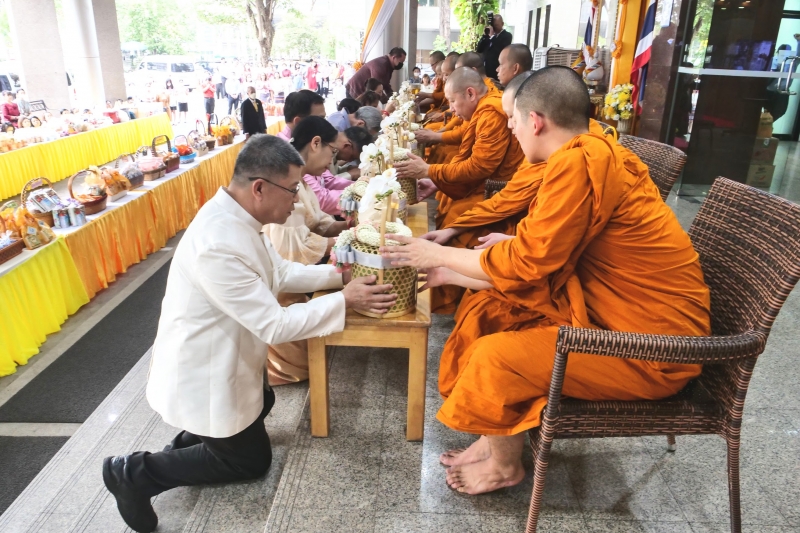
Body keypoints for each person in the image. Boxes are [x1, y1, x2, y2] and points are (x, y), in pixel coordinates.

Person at [379, 66, 711, 495]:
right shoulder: (586, 151)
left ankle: (505, 466)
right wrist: (477, 258)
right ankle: (493, 435)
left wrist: (437, 254)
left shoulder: (580, 161)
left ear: (535, 121)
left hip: (654, 347)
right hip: (614, 316)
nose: (511, 130)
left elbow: (531, 262)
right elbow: (548, 248)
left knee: (495, 355)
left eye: (512, 121)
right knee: (491, 310)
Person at [102, 135, 395, 533]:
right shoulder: (217, 243)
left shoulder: (240, 217)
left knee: (264, 399)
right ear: (260, 188)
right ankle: (134, 472)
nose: (296, 199)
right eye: (292, 190)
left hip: (228, 355)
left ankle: (193, 445)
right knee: (249, 462)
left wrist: (338, 276)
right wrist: (344, 300)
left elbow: (280, 272)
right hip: (202, 369)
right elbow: (274, 323)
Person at [394, 67, 524, 314]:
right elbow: (466, 133)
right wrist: (435, 175)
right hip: (497, 189)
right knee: (452, 211)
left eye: (453, 101)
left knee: (457, 216)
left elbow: (482, 165)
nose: (511, 127)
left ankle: (448, 285)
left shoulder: (492, 113)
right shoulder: (487, 107)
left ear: (471, 93)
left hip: (495, 189)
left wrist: (430, 171)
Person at [476, 14, 513, 80]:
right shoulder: (489, 35)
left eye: (496, 25)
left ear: (502, 24)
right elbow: (479, 49)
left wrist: (492, 36)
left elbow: (500, 50)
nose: (494, 28)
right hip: (485, 70)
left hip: (496, 70)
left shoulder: (507, 36)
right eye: (493, 25)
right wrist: (485, 36)